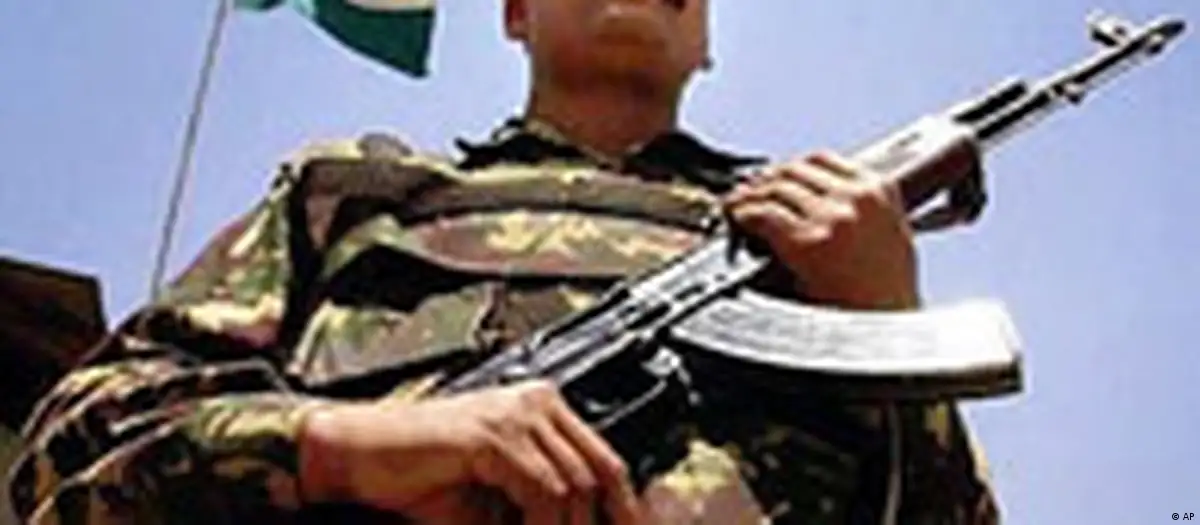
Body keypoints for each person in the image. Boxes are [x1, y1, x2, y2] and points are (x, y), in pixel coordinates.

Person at [6, 0, 999, 523]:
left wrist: (886, 319)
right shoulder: (357, 195)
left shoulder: (812, 245)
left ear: (707, 38)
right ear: (516, 11)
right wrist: (367, 446)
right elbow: (74, 454)